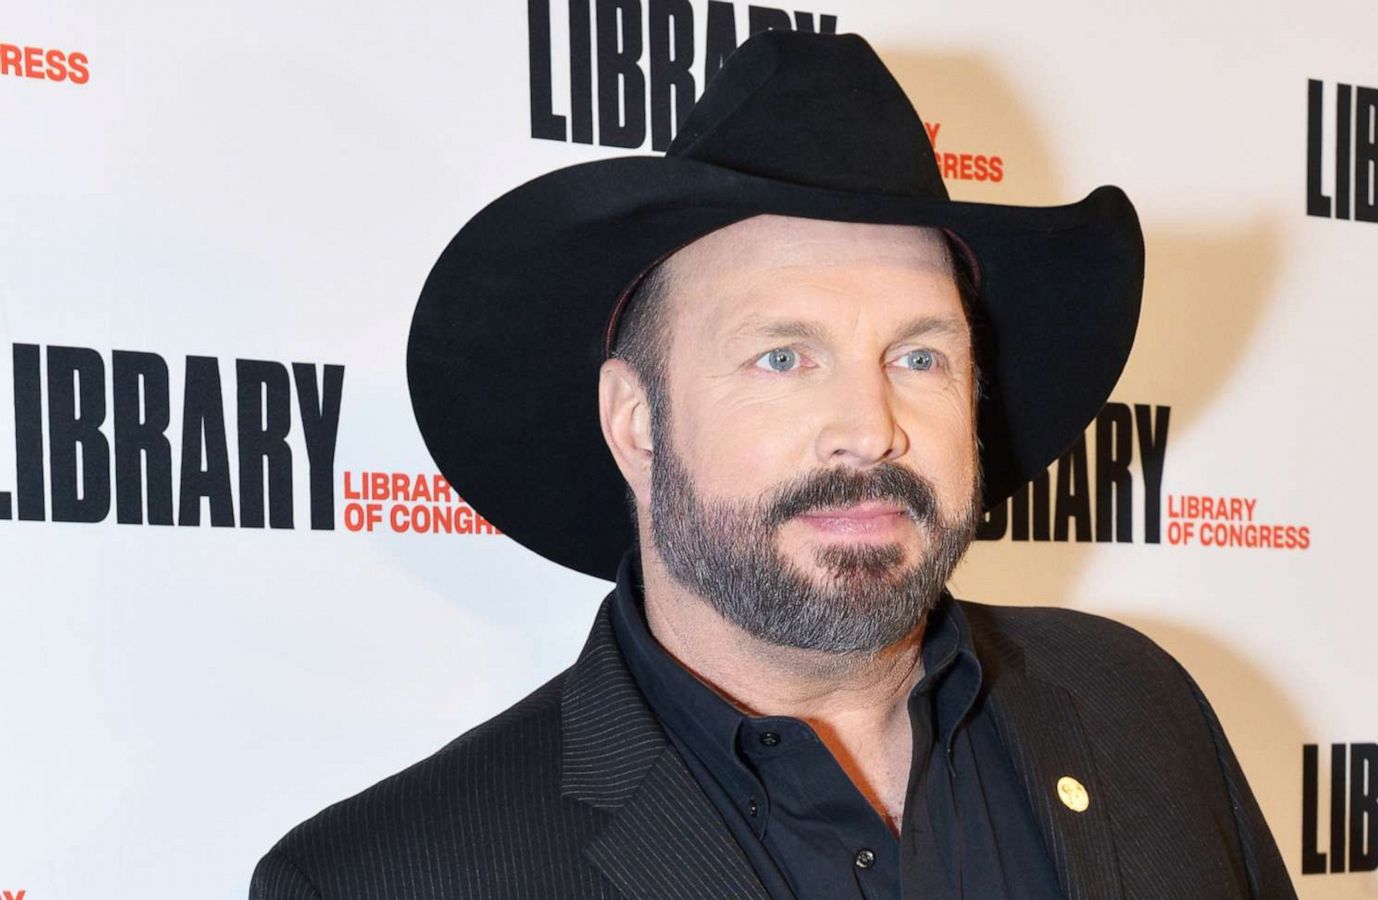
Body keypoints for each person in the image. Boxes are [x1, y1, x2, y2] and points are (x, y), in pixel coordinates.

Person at [251, 30, 1295, 900]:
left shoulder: (1140, 712)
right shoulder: (385, 880)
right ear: (636, 420)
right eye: (783, 357)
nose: (868, 427)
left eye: (918, 355)